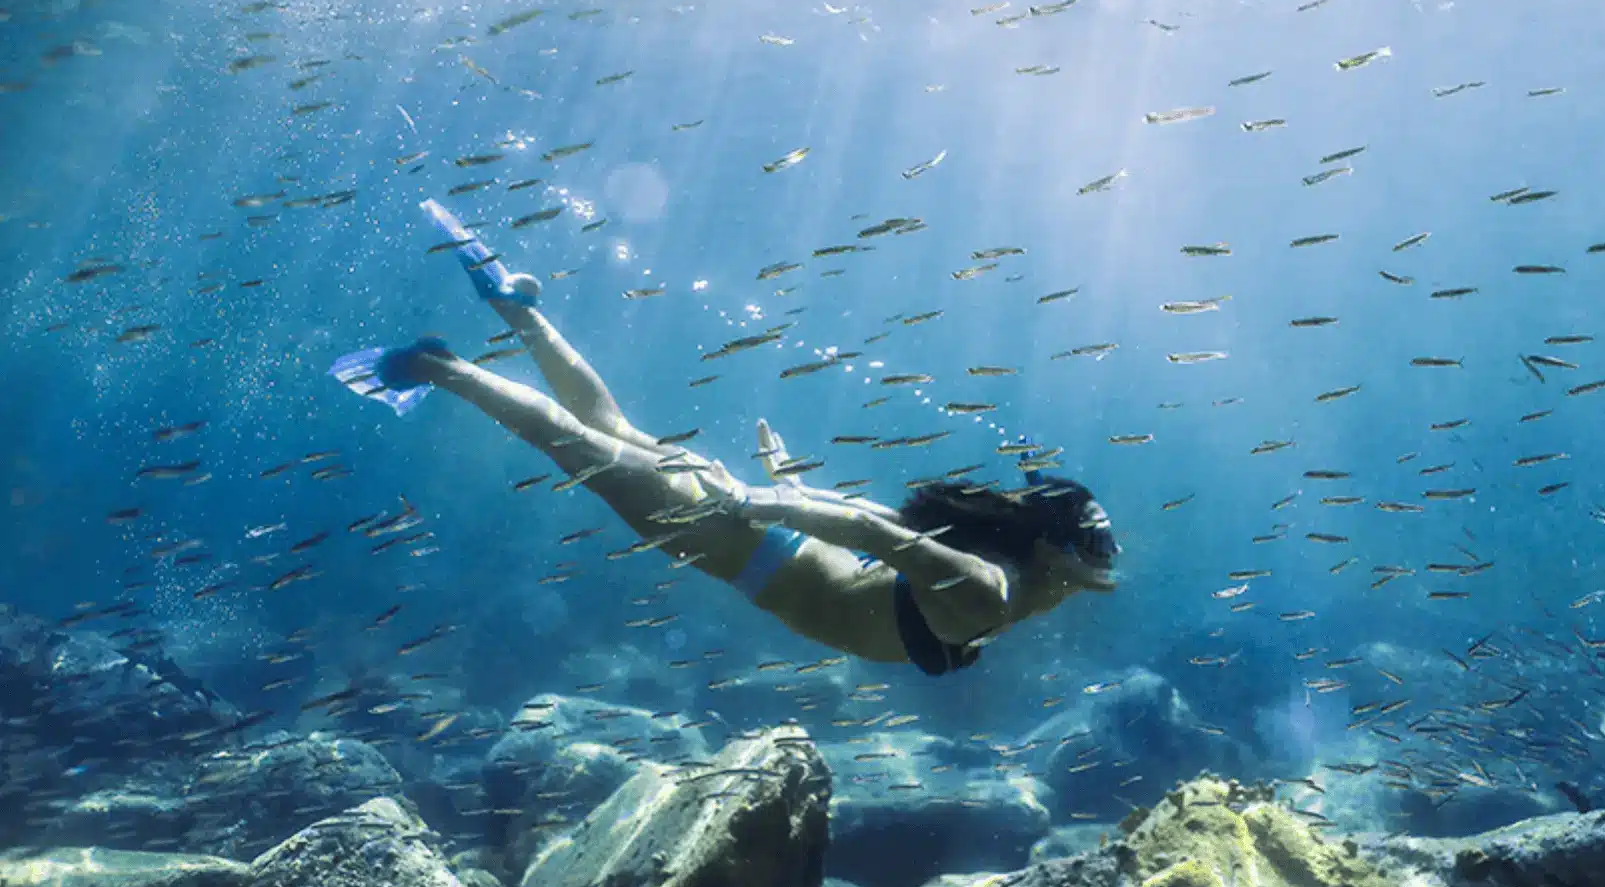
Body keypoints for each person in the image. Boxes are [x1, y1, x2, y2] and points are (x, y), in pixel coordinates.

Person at [328, 199, 1120, 675]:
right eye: (1089, 557)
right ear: (1050, 550)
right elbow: (878, 532)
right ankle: (438, 367)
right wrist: (757, 501)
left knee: (606, 431)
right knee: (575, 448)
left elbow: (870, 549)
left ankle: (514, 303)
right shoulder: (989, 592)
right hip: (736, 538)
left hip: (756, 528)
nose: (1092, 574)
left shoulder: (1001, 586)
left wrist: (786, 490)